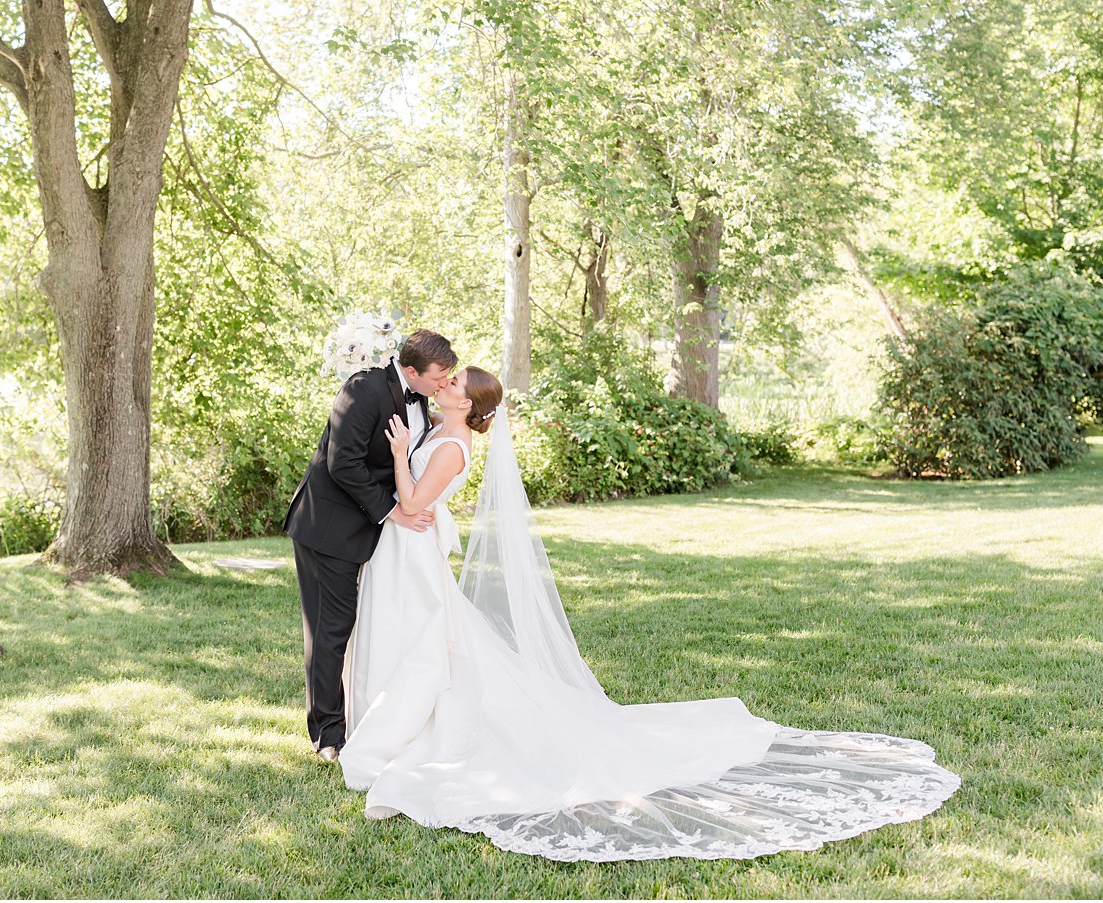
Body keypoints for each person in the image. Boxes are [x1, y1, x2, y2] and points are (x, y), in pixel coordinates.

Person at [337, 365, 962, 863]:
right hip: (408, 550)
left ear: (468, 406)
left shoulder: (449, 445)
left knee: (434, 645)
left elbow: (416, 498)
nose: (443, 383)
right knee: (428, 641)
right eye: (443, 379)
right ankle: (391, 719)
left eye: (454, 383)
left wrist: (396, 454)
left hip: (414, 546)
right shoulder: (439, 431)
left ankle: (401, 730)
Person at [283, 329, 457, 761]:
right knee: (331, 628)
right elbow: (343, 462)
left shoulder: (421, 401)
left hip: (368, 534)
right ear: (412, 370)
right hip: (328, 527)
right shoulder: (364, 389)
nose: (443, 384)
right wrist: (394, 511)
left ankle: (359, 716)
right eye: (439, 377)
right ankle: (327, 734)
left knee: (350, 625)